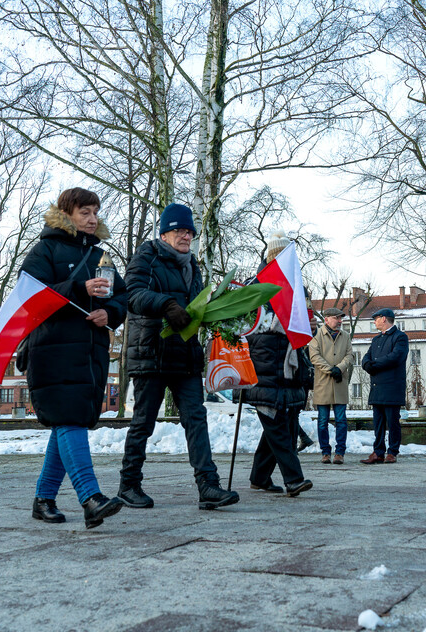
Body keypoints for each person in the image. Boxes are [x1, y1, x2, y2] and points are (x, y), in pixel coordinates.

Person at [120, 203, 239, 511]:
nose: (186, 236)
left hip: (185, 355)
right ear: (164, 232)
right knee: (143, 422)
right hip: (151, 353)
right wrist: (166, 304)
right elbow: (132, 295)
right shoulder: (146, 257)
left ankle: (208, 486)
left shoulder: (192, 265)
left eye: (189, 231)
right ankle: (128, 484)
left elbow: (196, 307)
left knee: (196, 419)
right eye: (179, 230)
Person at [21, 187, 128, 528]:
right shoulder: (45, 250)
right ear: (66, 213)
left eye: (96, 211)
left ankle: (43, 499)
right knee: (69, 420)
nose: (93, 218)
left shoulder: (102, 256)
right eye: (85, 212)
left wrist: (109, 315)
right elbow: (31, 298)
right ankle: (90, 497)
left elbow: (121, 297)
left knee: (69, 423)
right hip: (52, 350)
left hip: (89, 352)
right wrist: (79, 288)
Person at [243, 232, 313, 496]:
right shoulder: (256, 284)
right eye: (279, 253)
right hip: (265, 364)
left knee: (285, 422)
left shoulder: (297, 286)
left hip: (291, 363)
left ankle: (260, 476)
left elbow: (302, 321)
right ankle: (294, 479)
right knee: (276, 423)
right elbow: (246, 324)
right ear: (272, 255)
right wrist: (277, 325)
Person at [360, 308, 409, 464]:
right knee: (378, 422)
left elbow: (396, 357)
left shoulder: (400, 337)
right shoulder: (376, 340)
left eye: (376, 318)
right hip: (377, 386)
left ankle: (392, 452)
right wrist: (366, 364)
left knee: (393, 421)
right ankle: (378, 452)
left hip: (392, 386)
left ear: (384, 319)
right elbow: (366, 357)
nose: (374, 321)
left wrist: (374, 364)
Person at [308, 308, 353, 464]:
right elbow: (314, 357)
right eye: (336, 318)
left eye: (341, 318)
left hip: (340, 383)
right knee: (322, 421)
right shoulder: (316, 337)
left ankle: (340, 452)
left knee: (341, 420)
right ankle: (325, 452)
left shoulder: (346, 336)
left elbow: (349, 355)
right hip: (323, 384)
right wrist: (330, 370)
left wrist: (339, 368)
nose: (340, 321)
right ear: (326, 319)